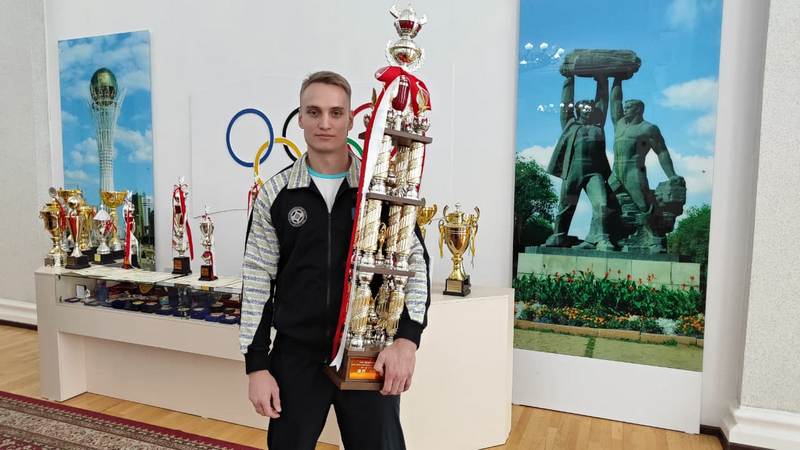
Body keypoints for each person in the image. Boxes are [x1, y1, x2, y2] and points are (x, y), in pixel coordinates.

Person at [239, 71, 431, 450]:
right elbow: (258, 279)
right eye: (314, 112)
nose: (324, 123)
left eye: (335, 113)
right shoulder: (276, 193)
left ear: (350, 119)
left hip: (368, 351)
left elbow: (414, 265)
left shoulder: (380, 189)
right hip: (296, 356)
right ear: (299, 118)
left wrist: (406, 341)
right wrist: (257, 365)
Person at [544, 72, 614, 250]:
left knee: (602, 204)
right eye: (585, 107)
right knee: (566, 205)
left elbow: (602, 102)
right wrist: (570, 79)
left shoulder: (598, 126)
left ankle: (601, 239)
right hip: (574, 170)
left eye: (591, 108)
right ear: (578, 110)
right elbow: (566, 103)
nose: (589, 109)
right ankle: (558, 236)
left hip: (595, 172)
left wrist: (603, 80)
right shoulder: (570, 124)